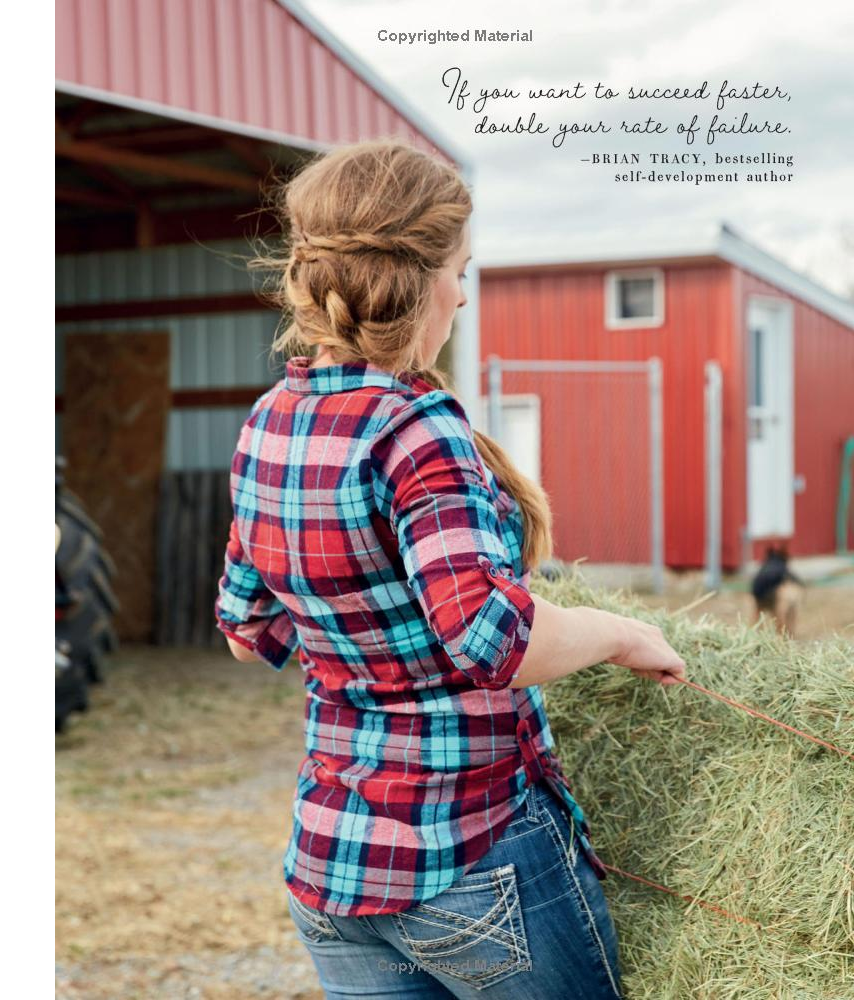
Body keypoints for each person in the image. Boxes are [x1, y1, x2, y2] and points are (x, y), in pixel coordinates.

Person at [214, 140, 686, 1000]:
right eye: (461, 269)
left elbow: (248, 632)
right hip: (469, 859)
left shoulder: (267, 421)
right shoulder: (415, 429)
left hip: (335, 864)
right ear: (420, 277)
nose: (464, 292)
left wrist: (357, 639)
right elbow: (492, 638)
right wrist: (626, 634)